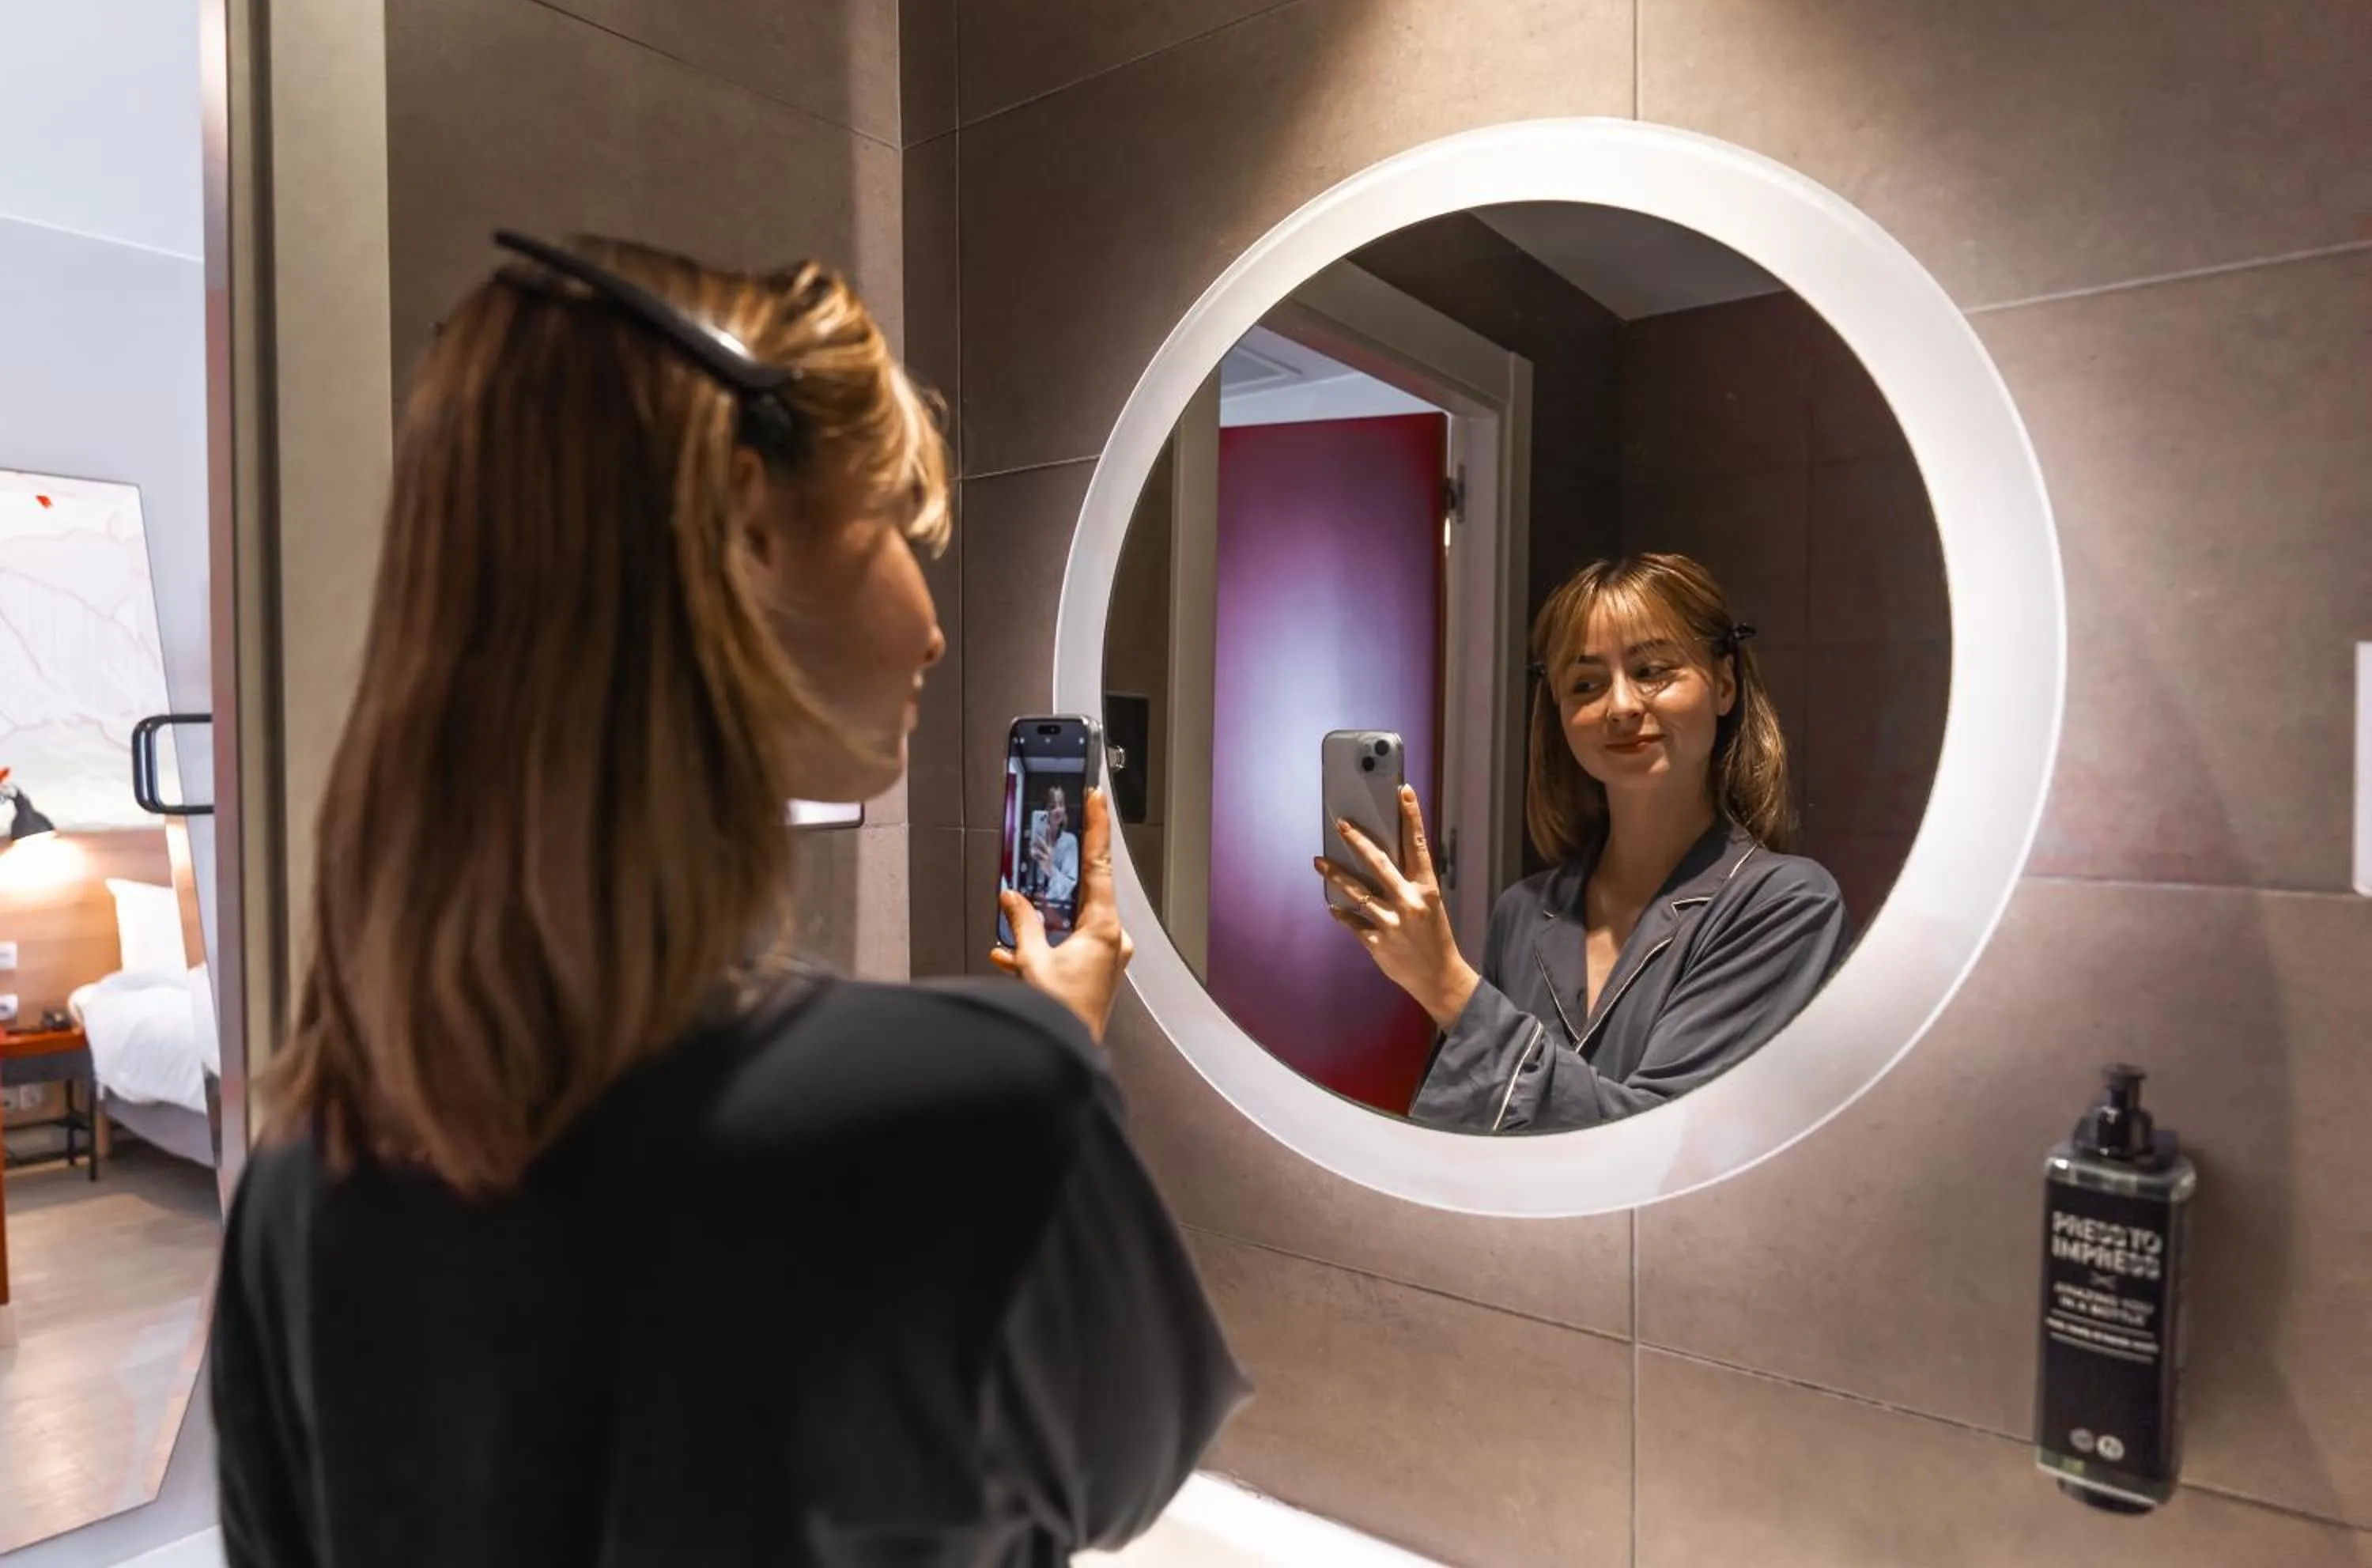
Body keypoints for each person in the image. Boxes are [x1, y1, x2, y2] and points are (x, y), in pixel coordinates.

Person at [210, 232, 1247, 1566]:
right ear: (750, 528)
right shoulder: (987, 1110)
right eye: (889, 528)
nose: (932, 625)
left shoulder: (302, 1181)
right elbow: (1113, 1486)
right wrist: (1062, 1044)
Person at [1313, 553, 1847, 1132]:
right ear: (1562, 712)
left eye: (1653, 670)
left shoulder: (1787, 904)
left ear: (1723, 683)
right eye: (1586, 683)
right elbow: (1462, 1143)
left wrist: (1445, 985)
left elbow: (1659, 1145)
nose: (1620, 706)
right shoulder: (1522, 913)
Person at [1031, 783, 1080, 912]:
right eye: (1052, 806)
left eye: (1061, 805)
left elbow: (1069, 884)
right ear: (1045, 810)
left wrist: (1050, 869)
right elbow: (1030, 877)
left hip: (1060, 910)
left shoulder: (1070, 841)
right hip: (1036, 906)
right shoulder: (1037, 840)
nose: (1058, 810)